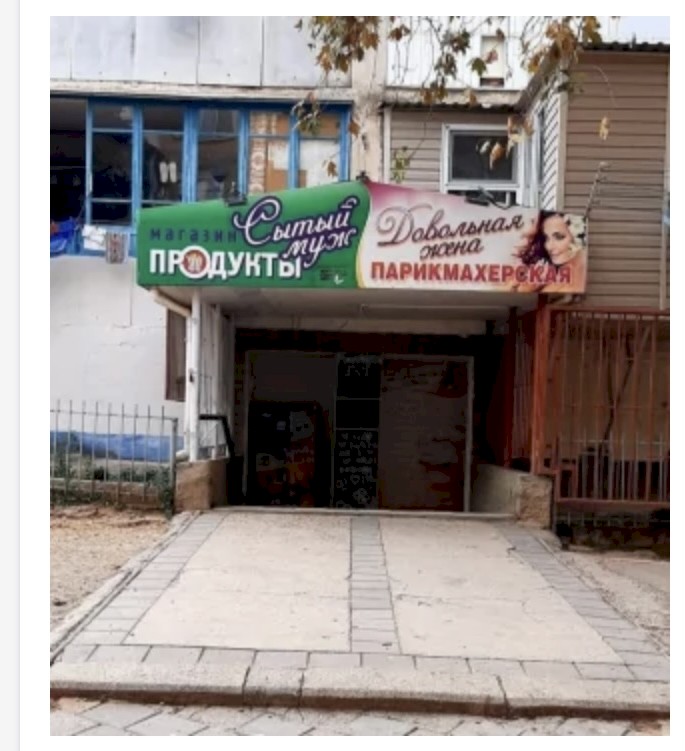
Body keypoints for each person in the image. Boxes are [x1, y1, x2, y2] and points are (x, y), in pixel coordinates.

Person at [510, 211, 587, 293]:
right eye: (546, 238)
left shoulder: (577, 278)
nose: (549, 246)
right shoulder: (545, 272)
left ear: (578, 236)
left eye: (559, 237)